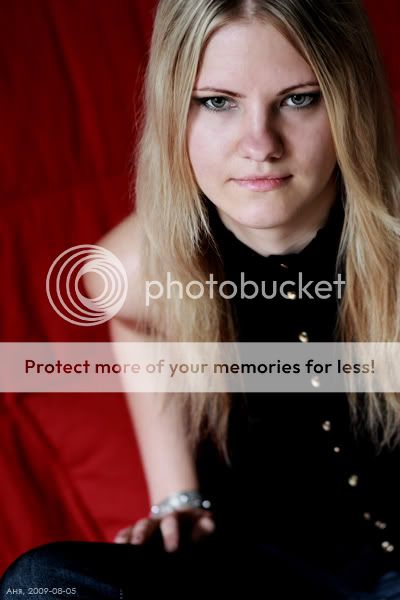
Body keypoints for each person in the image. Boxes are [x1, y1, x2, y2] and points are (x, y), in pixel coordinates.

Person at [1, 0, 400, 598]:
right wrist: (178, 501)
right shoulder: (132, 269)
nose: (260, 144)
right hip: (263, 580)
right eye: (216, 102)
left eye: (299, 98)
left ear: (351, 101)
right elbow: (141, 331)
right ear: (174, 111)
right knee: (41, 584)